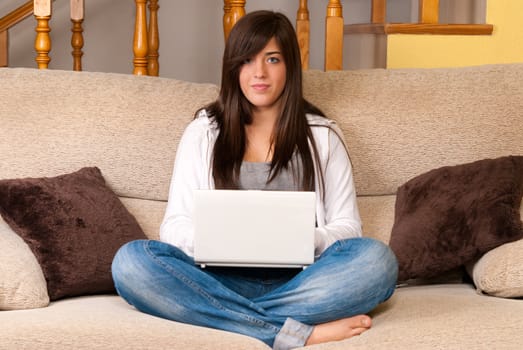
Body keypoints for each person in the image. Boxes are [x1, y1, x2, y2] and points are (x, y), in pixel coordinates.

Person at [111, 10, 398, 350]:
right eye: (246, 61)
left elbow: (348, 227)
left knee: (377, 261)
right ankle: (290, 331)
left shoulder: (322, 136)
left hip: (304, 281)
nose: (259, 73)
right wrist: (219, 238)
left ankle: (229, 319)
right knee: (131, 263)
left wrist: (306, 238)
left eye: (272, 59)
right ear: (233, 68)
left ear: (290, 65)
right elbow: (174, 226)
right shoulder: (203, 133)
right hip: (217, 279)